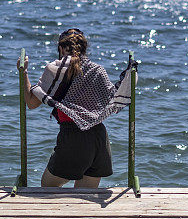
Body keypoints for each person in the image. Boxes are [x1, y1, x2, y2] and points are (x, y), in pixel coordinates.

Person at [18, 28, 135, 188]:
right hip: (99, 140)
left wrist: (23, 72)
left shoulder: (55, 70)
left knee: (47, 189)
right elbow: (112, 98)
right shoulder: (97, 70)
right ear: (84, 48)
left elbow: (31, 103)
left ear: (60, 48)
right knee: (84, 199)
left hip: (73, 138)